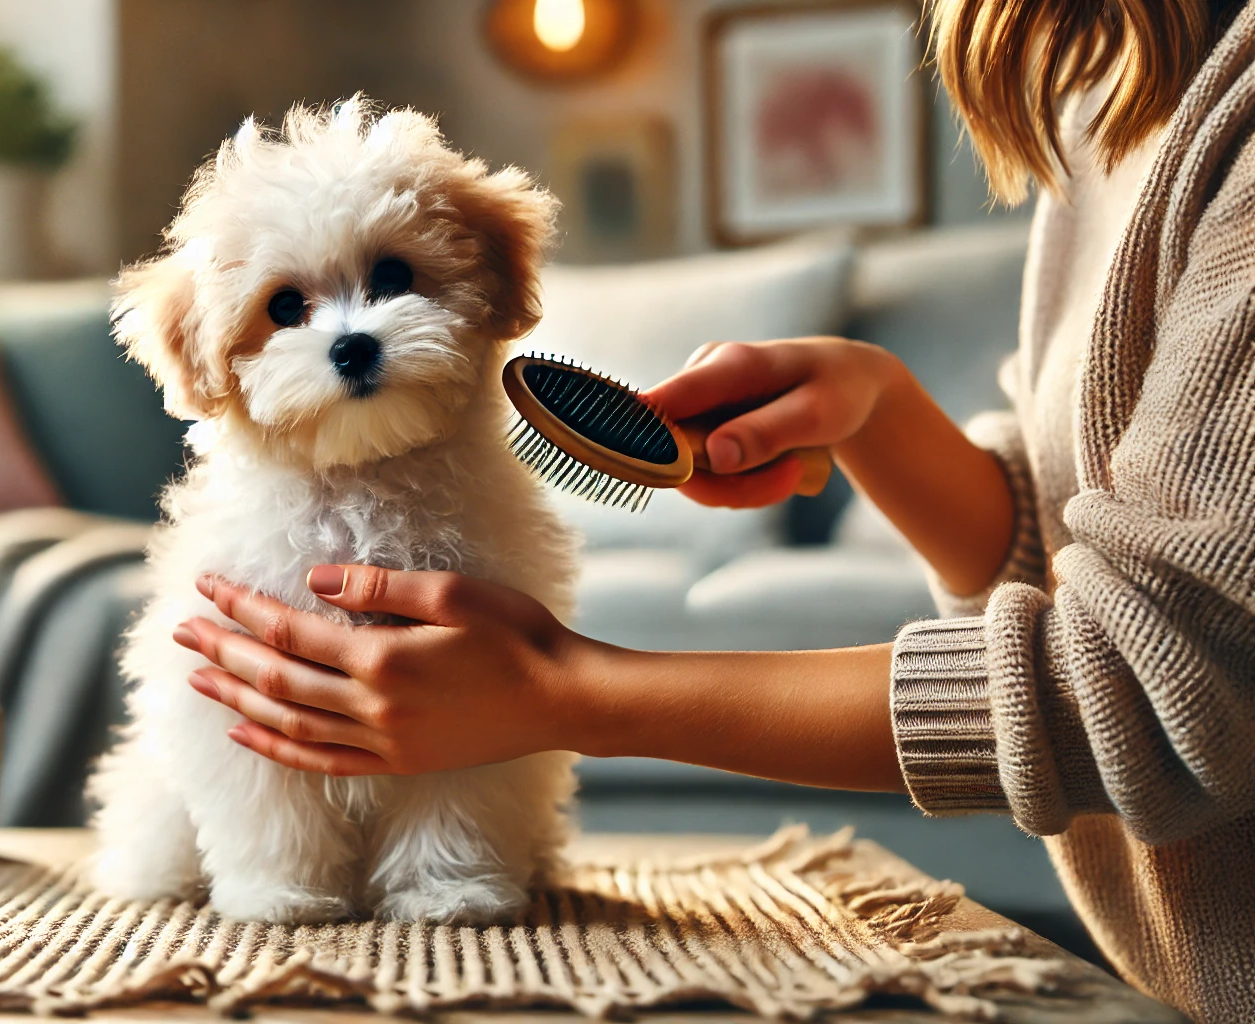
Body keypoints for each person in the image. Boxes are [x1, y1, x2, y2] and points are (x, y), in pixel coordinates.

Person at [168, 0, 1255, 1018]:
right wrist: (875, 407)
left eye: (392, 278)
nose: (347, 328)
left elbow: (1161, 682)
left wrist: (567, 691)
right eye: (288, 305)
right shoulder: (1110, 69)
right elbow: (1084, 535)